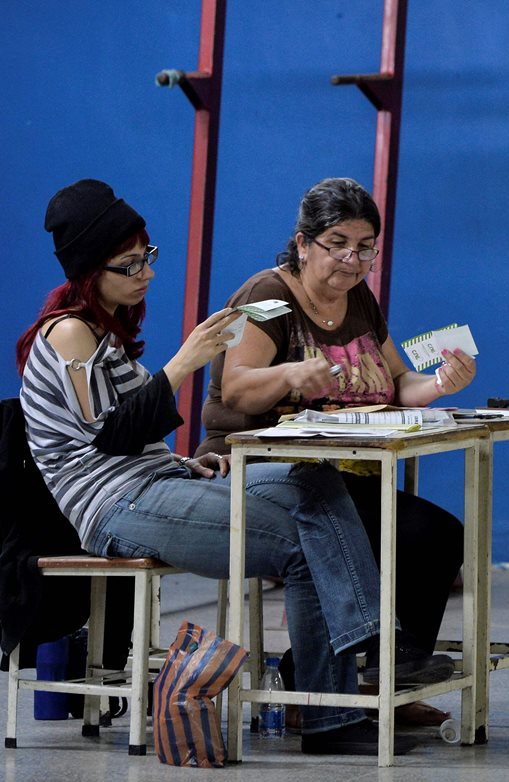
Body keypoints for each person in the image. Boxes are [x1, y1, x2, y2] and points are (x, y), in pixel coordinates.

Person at [16, 178, 447, 755]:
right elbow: (110, 437)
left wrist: (187, 462)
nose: (145, 273)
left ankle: (348, 679)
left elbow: (137, 437)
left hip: (159, 480)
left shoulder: (106, 335)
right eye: (129, 264)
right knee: (303, 543)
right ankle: (342, 697)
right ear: (91, 270)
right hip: (116, 505)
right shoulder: (69, 331)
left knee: (310, 478)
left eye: (148, 258)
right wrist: (185, 362)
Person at [195, 177, 476, 726]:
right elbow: (236, 389)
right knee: (389, 534)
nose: (352, 258)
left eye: (365, 246)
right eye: (337, 243)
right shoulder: (266, 296)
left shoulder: (359, 299)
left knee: (436, 534)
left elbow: (399, 385)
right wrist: (293, 373)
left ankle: (389, 677)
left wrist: (442, 381)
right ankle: (326, 686)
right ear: (303, 244)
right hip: (263, 471)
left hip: (341, 470)